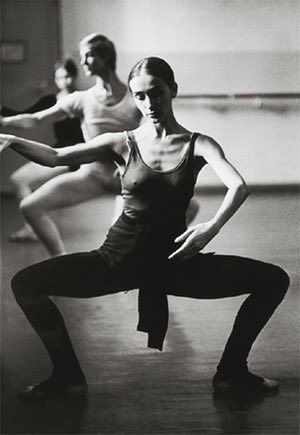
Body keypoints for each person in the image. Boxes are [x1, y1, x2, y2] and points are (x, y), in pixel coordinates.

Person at [0, 57, 289, 401]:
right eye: (140, 96)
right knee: (26, 284)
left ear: (173, 91)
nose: (149, 104)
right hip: (117, 261)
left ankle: (231, 372)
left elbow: (238, 186)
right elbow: (55, 156)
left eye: (157, 93)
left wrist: (209, 228)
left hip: (174, 263)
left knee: (273, 280)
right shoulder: (122, 142)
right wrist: (9, 139)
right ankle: (67, 376)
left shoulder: (199, 143)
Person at [0, 34, 142, 256]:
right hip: (92, 177)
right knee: (30, 206)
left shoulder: (136, 98)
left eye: (89, 55)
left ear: (105, 58)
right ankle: (61, 262)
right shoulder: (81, 99)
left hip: (130, 181)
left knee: (183, 209)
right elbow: (36, 119)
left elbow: (156, 134)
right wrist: (4, 122)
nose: (83, 62)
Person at [1, 58, 84, 242]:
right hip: (58, 152)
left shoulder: (82, 99)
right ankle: (33, 226)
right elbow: (28, 116)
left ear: (75, 76)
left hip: (76, 155)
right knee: (18, 180)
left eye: (67, 76)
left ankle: (32, 228)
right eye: (59, 78)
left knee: (20, 180)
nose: (64, 81)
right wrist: (3, 112)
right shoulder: (51, 100)